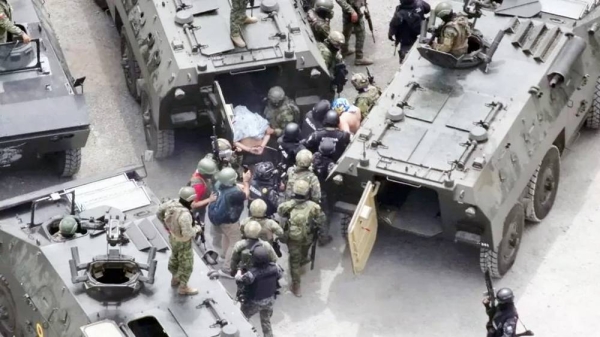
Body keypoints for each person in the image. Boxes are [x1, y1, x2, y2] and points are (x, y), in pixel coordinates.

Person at [277, 180, 326, 297]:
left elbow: (280, 212)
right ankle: (296, 281)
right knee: (303, 254)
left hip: (292, 238)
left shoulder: (287, 205)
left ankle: (296, 285)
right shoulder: (314, 207)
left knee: (294, 260)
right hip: (307, 237)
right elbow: (321, 220)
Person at [157, 187, 202, 295]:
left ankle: (175, 278)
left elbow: (159, 213)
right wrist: (198, 228)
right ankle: (183, 287)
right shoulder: (185, 215)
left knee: (175, 257)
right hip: (184, 242)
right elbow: (188, 233)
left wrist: (166, 227)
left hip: (173, 238)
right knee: (187, 263)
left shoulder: (171, 204)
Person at [207, 167, 251, 276]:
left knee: (226, 236)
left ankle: (223, 256)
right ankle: (227, 268)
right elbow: (245, 194)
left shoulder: (218, 184)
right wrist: (245, 182)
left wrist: (237, 186)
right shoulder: (234, 194)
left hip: (219, 220)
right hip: (230, 221)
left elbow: (231, 188)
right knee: (235, 242)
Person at [235, 245, 283, 337]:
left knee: (242, 318)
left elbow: (240, 281)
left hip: (254, 302)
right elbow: (280, 276)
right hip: (270, 300)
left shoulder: (251, 274)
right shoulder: (275, 267)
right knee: (266, 320)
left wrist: (239, 270)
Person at [335, 0, 373, 65]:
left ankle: (344, 50)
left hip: (350, 9)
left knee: (347, 31)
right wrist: (352, 11)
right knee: (361, 33)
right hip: (353, 10)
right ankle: (359, 58)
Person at [188, 157, 218, 228]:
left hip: (201, 203)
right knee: (196, 224)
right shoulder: (198, 185)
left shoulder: (199, 171)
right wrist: (209, 200)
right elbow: (193, 205)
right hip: (195, 208)